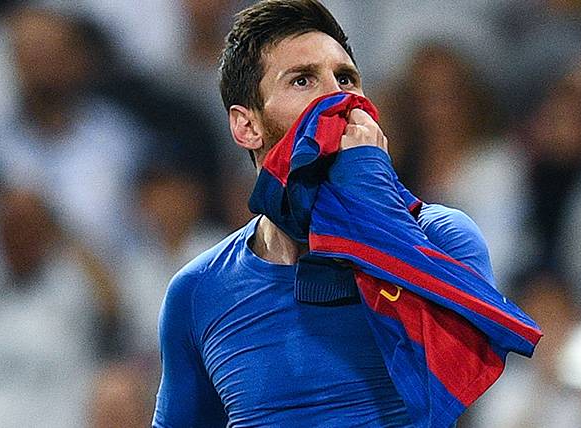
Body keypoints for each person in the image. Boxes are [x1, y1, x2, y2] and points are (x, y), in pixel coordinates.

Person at [152, 1, 502, 426]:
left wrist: (372, 194)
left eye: (346, 78)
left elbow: (453, 387)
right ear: (247, 127)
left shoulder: (444, 238)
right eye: (303, 80)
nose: (336, 97)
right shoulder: (197, 291)